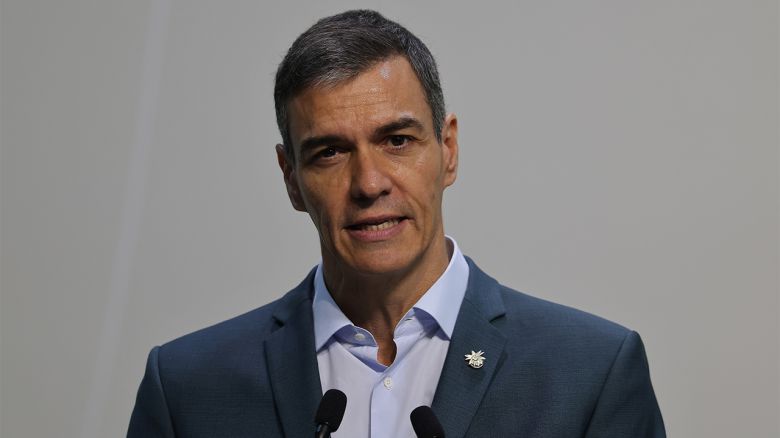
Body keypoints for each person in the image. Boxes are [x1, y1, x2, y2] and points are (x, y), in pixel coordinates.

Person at [128, 9, 665, 438]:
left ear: (448, 150)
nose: (369, 183)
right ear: (291, 178)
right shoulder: (187, 389)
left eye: (397, 141)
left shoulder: (591, 372)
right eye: (330, 152)